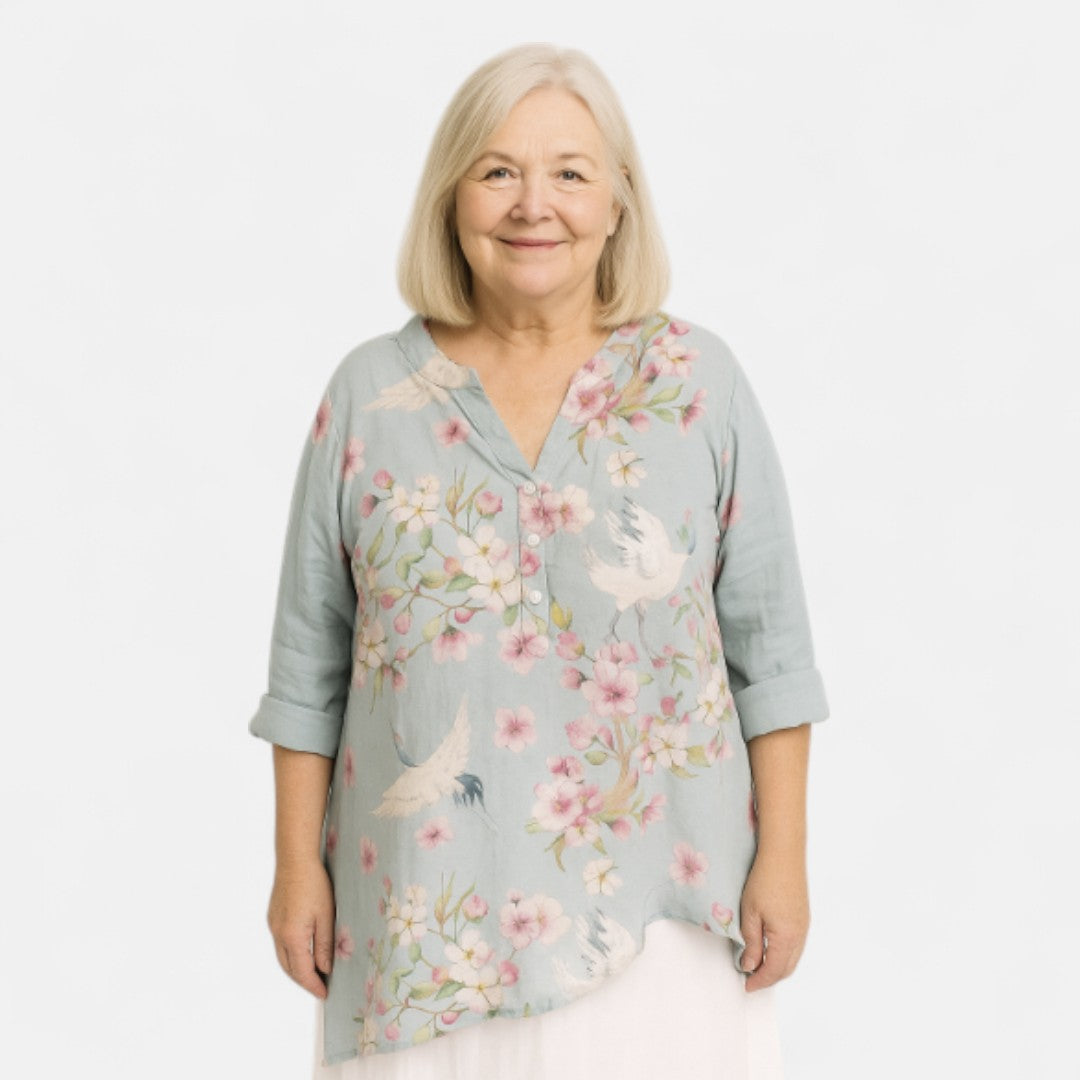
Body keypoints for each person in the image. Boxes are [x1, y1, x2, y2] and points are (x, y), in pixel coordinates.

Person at [248, 42, 829, 1080]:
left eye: (569, 171)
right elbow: (307, 668)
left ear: (617, 200)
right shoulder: (369, 399)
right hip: (423, 920)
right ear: (451, 197)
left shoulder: (698, 385)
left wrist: (783, 859)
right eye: (497, 171)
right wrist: (298, 866)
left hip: (664, 918)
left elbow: (771, 652)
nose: (533, 205)